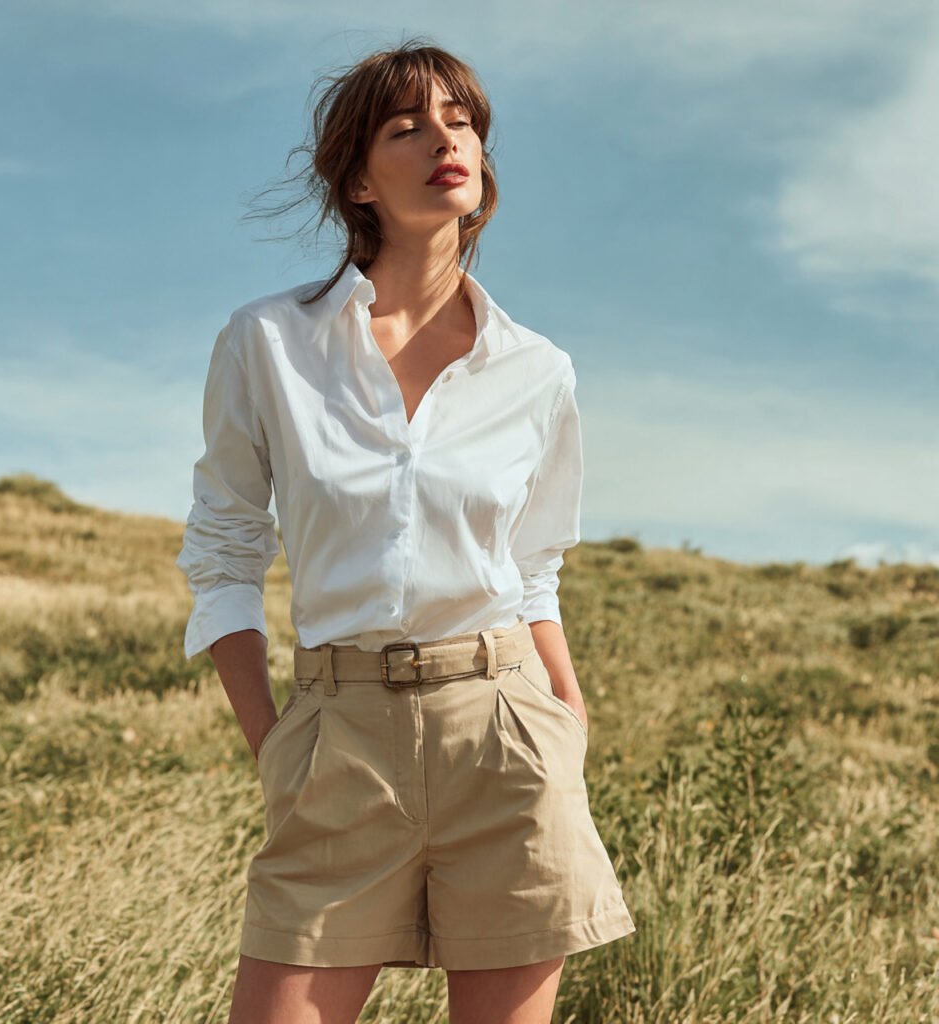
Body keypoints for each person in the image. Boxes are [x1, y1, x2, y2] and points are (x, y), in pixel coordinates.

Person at [175, 38, 636, 1024]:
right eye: (406, 125)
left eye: (461, 119)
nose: (445, 138)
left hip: (505, 732)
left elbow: (531, 565)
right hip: (339, 736)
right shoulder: (268, 343)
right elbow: (221, 551)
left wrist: (567, 720)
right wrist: (274, 743)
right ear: (356, 179)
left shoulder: (538, 370)